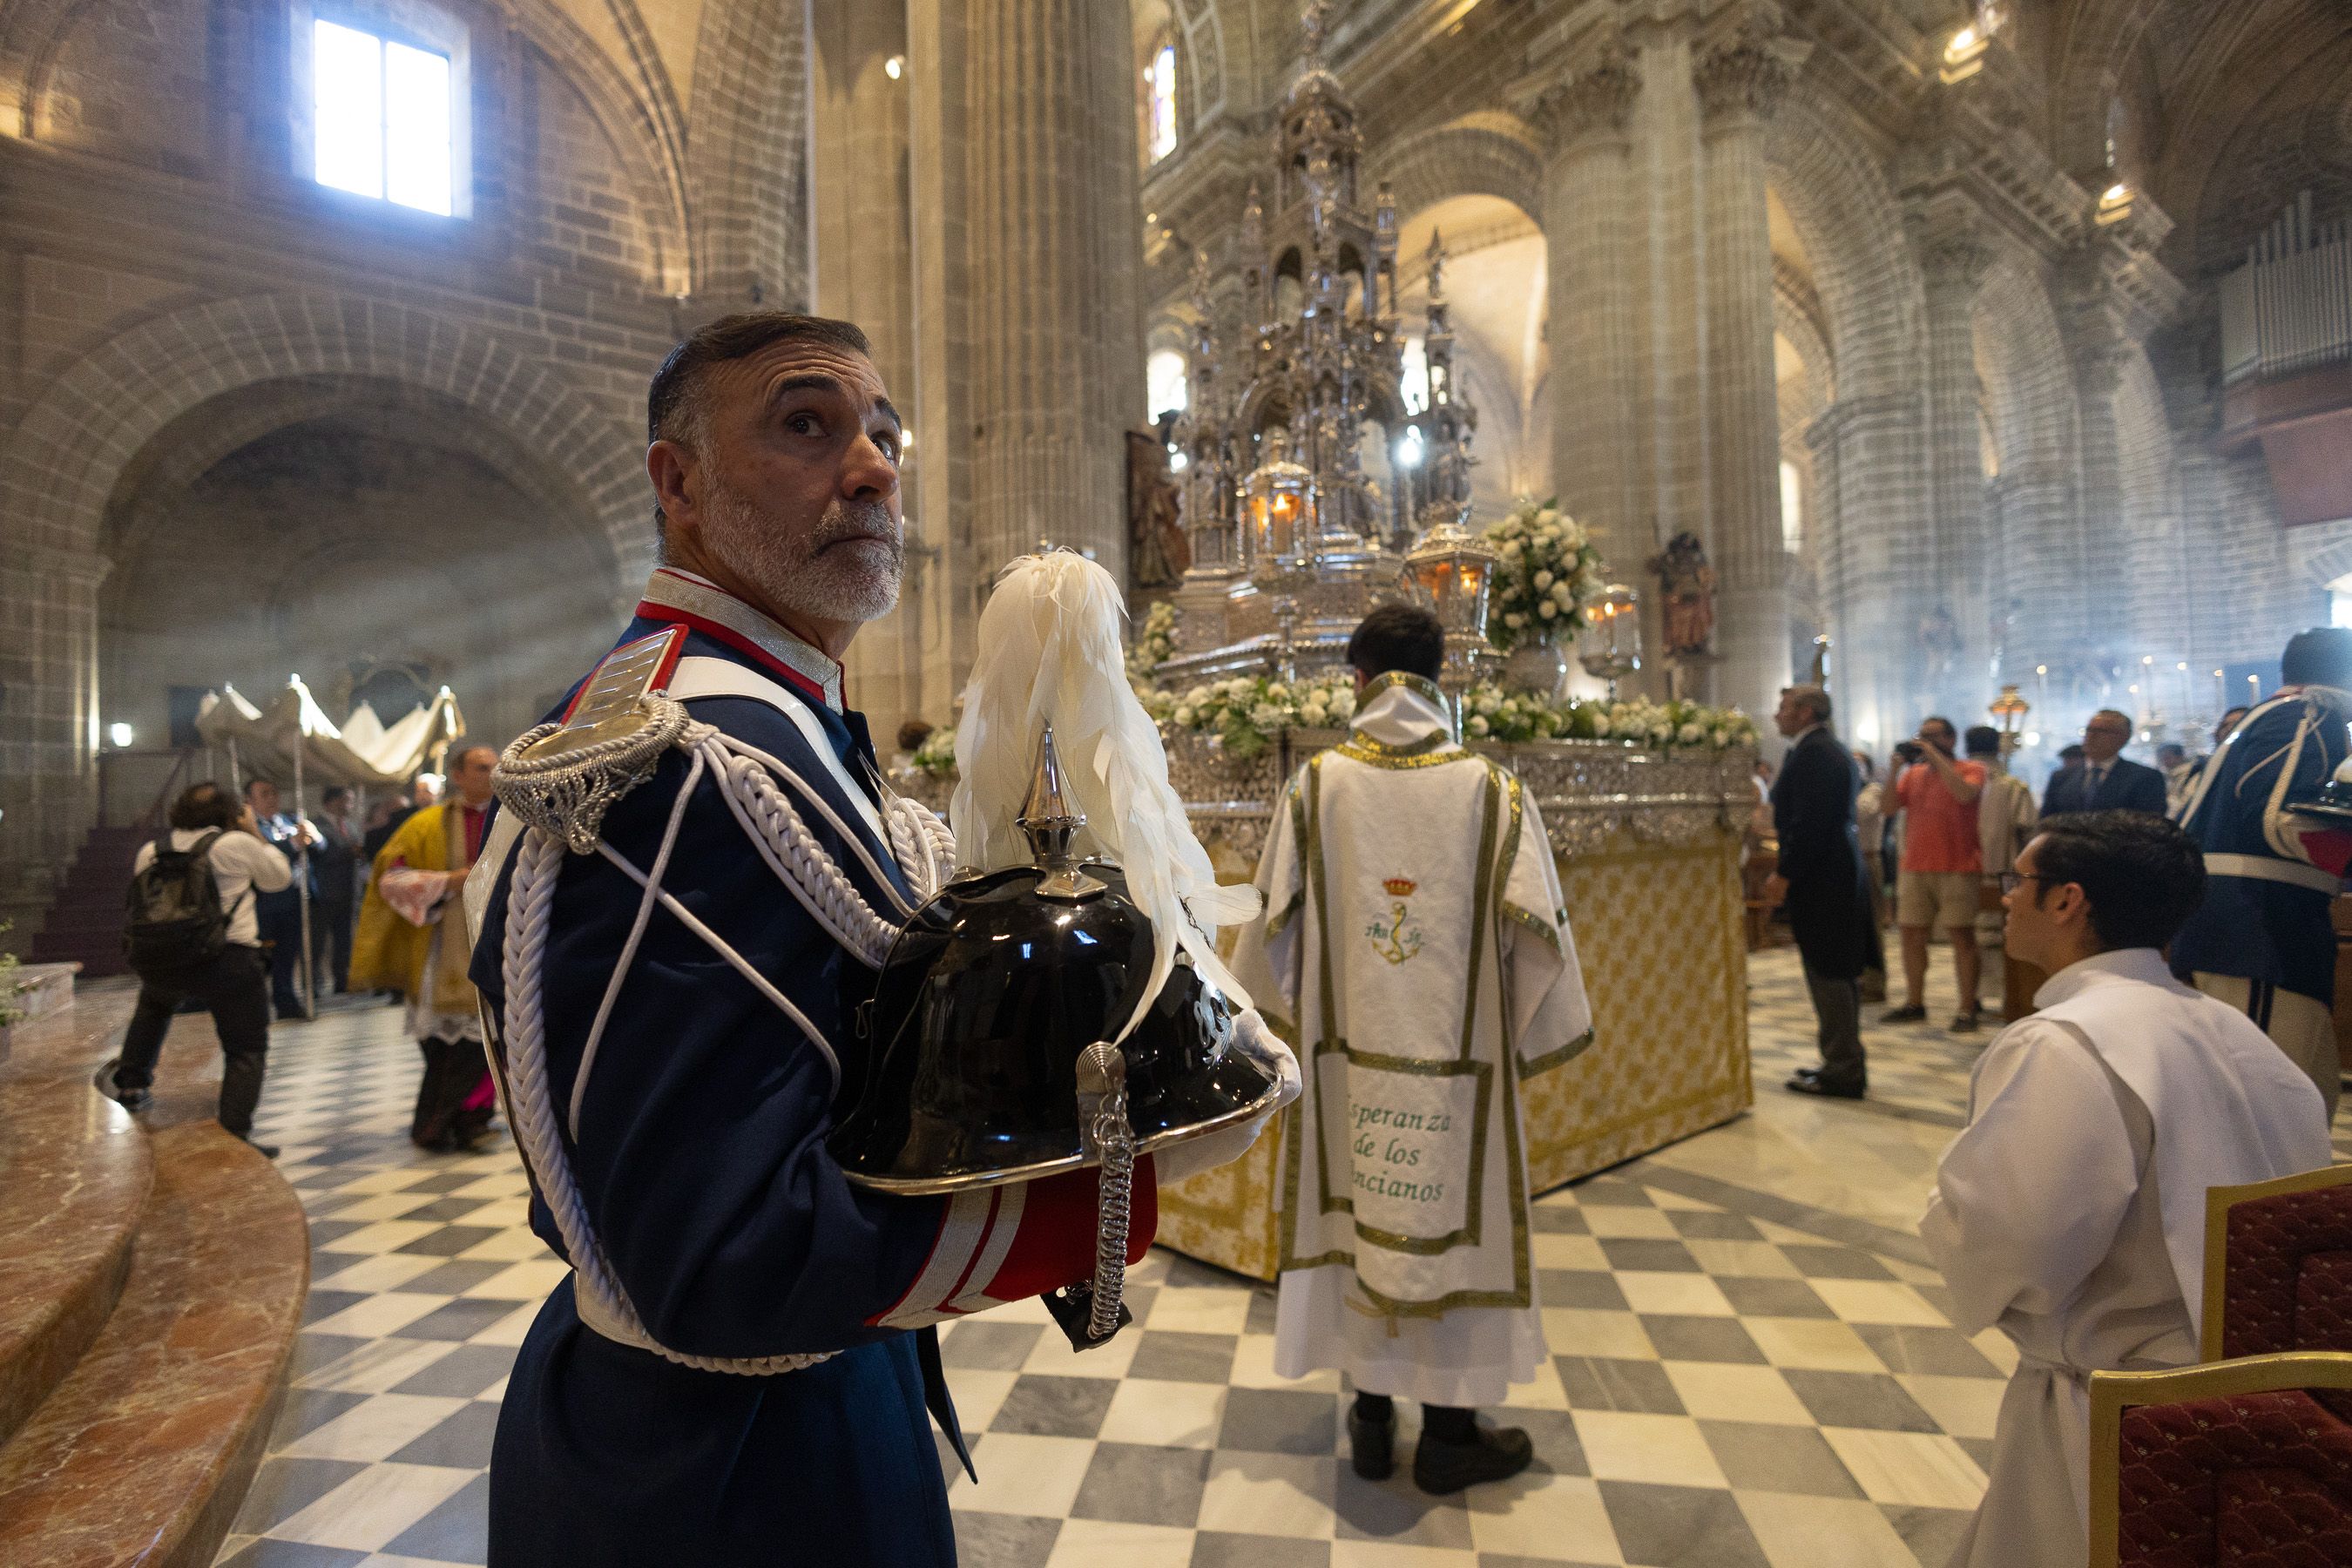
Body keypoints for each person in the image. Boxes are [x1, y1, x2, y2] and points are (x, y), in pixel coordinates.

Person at [463, 313, 1269, 1565]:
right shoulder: (687, 766)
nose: (876, 467)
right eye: (807, 425)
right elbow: (718, 1255)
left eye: (884, 433)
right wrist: (1113, 1183)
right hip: (728, 1475)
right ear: (679, 485)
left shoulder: (768, 719)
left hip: (797, 1405)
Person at [1228, 604, 1592, 1493]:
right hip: (1458, 1075)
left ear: (1358, 679)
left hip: (1344, 1064)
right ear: (1442, 676)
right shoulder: (1492, 791)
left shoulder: (1316, 788)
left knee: (1355, 1222)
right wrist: (1492, 1029)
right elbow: (1540, 944)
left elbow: (1267, 947)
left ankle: (1370, 1416)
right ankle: (1451, 1434)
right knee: (1448, 1234)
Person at [1921, 811, 2329, 1568]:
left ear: (2068, 901)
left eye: (2020, 882)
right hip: (2241, 1395)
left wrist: (1946, 1216)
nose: (2006, 898)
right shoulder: (2243, 1037)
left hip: (2115, 1411)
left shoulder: (2066, 1044)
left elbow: (2017, 1241)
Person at [2172, 626, 2352, 1119]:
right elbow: (2275, 817)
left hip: (2261, 924)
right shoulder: (2308, 714)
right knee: (2260, 1107)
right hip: (2258, 927)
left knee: (2305, 1100)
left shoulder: (2273, 715)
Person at [106, 782, 291, 1157]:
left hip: (166, 956)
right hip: (227, 958)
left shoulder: (151, 851)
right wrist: (255, 833)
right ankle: (235, 1133)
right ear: (229, 812)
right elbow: (279, 879)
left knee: (154, 1008)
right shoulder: (234, 844)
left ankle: (131, 1084)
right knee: (246, 1048)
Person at [351, 744, 502, 1152]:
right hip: (444, 951)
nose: (491, 773)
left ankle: (469, 1121)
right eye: (481, 767)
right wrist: (448, 881)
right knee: (445, 1048)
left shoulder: (511, 819)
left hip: (502, 948)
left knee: (492, 1043)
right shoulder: (426, 824)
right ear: (457, 774)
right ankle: (440, 1124)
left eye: (495, 766)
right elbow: (390, 878)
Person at [1766, 687, 1873, 1098]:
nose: (1777, 715)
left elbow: (1811, 824)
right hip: (1831, 871)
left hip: (1824, 876)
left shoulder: (1817, 753)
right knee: (1828, 968)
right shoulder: (1820, 749)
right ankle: (1838, 1059)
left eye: (1784, 708)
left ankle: (1843, 1068)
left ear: (1806, 711)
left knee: (1830, 969)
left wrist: (1785, 874)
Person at [1885, 716, 1985, 1031]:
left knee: (1962, 937)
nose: (1923, 742)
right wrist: (1893, 770)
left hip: (1958, 865)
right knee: (1911, 936)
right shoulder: (1913, 774)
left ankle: (1967, 1007)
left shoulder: (1972, 768)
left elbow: (1965, 795)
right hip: (1915, 865)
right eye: (1921, 736)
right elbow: (1888, 808)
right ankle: (1915, 1002)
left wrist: (1936, 757)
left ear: (1951, 739)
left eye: (1931, 736)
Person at [1965, 726, 2038, 1017]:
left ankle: (1971, 999)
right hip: (2002, 871)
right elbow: (2029, 827)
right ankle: (2007, 997)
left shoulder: (1954, 779)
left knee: (1971, 936)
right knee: (2002, 934)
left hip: (1962, 870)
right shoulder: (2011, 786)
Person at [242, 777, 318, 1018]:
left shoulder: (289, 821)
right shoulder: (249, 828)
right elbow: (266, 853)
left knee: (287, 953)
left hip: (295, 899)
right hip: (267, 902)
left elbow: (318, 847)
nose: (272, 798)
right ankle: (255, 1005)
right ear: (249, 801)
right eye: (264, 794)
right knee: (262, 957)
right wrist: (294, 845)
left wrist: (313, 837)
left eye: (274, 793)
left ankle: (286, 1000)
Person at [2040, 709, 2166, 816]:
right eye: (2089, 730)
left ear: (2123, 737)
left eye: (2101, 731)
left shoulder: (2145, 778)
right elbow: (2047, 821)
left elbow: (2149, 826)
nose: (2090, 736)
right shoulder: (2061, 778)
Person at [311, 784, 362, 994]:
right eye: (346, 800)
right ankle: (314, 982)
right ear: (332, 802)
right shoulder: (316, 826)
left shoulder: (350, 826)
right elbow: (325, 853)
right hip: (324, 892)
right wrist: (350, 851)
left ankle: (342, 979)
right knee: (318, 941)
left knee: (344, 940)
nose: (350, 805)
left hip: (347, 891)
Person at [1853, 751, 1889, 1001]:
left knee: (1871, 925)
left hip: (1868, 859)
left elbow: (1860, 813)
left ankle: (1876, 982)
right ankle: (1856, 977)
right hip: (1848, 861)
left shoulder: (1873, 791)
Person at [2156, 742, 2194, 816]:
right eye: (2161, 758)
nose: (2164, 761)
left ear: (2180, 757)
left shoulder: (2191, 775)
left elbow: (2186, 803)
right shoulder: (2169, 777)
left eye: (2167, 758)